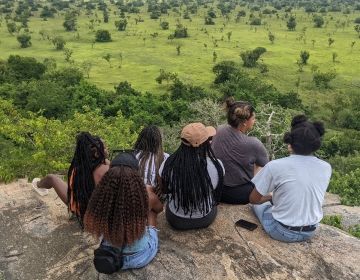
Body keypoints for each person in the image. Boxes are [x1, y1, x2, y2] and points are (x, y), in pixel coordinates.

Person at [249, 115, 332, 242]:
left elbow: (254, 199)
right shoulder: (326, 167)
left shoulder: (275, 166)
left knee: (258, 205)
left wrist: (271, 196)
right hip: (310, 230)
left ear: (290, 144)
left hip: (281, 231)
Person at [84, 152, 163, 270]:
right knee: (151, 213)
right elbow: (159, 209)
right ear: (136, 175)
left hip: (110, 256)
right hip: (139, 257)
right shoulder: (147, 196)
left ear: (109, 174)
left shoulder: (103, 196)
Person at [33, 132, 109, 227]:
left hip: (80, 210)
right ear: (97, 153)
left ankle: (37, 185)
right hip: (98, 216)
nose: (107, 150)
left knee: (51, 178)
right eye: (105, 148)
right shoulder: (108, 168)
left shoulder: (78, 169)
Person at [159, 122, 224, 230]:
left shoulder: (168, 164)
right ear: (206, 143)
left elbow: (164, 190)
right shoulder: (217, 166)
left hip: (175, 219)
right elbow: (216, 191)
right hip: (204, 218)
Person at [211, 98, 269, 204]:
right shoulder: (254, 143)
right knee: (261, 165)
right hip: (238, 194)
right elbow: (266, 166)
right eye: (253, 118)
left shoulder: (219, 129)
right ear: (245, 123)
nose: (254, 121)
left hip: (214, 187)